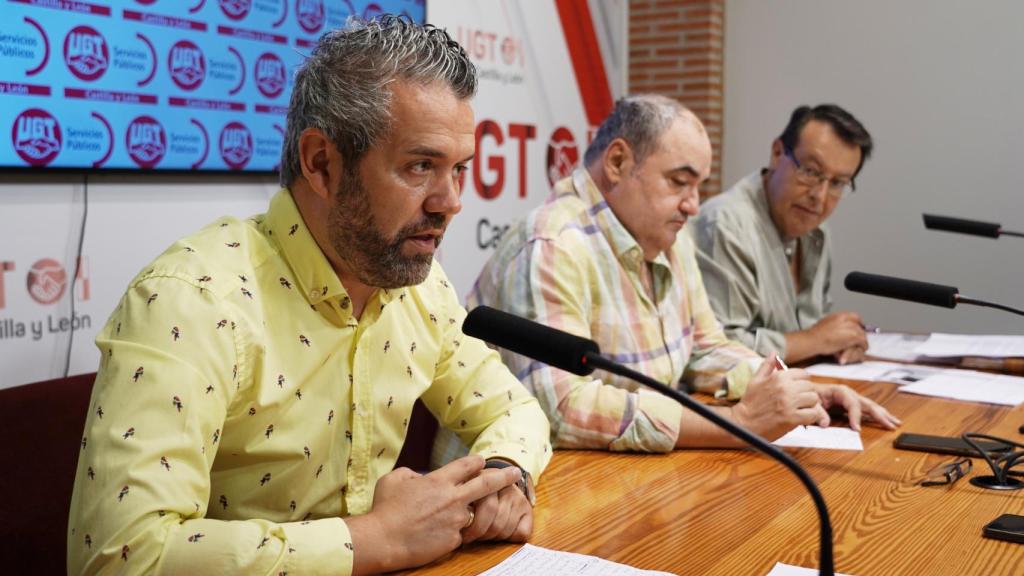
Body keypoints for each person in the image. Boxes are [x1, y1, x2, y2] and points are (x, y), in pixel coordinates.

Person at [67, 17, 551, 576]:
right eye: (421, 166)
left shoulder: (418, 286)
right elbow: (119, 557)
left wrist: (502, 474)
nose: (451, 202)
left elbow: (514, 410)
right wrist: (375, 539)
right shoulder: (192, 301)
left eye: (458, 170)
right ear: (321, 163)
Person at [436, 95, 898, 457]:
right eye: (680, 182)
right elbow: (561, 408)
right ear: (617, 163)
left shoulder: (670, 239)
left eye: (699, 186)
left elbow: (707, 347)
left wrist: (794, 392)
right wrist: (736, 424)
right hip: (518, 501)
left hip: (615, 474)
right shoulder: (553, 245)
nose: (694, 205)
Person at [690, 104, 873, 365]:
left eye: (837, 183)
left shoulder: (816, 231)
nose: (819, 197)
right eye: (810, 171)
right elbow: (717, 348)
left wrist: (842, 342)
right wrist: (815, 340)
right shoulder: (725, 224)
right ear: (777, 153)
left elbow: (815, 327)